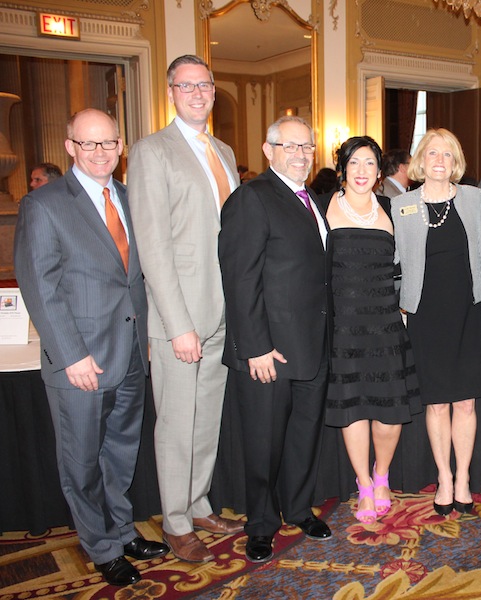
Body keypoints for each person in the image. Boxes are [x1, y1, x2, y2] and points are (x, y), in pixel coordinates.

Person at [14, 109, 168, 586]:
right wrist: (71, 356)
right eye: (88, 143)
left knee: (120, 455)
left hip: (130, 355)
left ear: (121, 146)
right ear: (70, 147)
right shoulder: (44, 204)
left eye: (108, 143)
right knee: (81, 463)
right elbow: (40, 287)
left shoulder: (129, 197)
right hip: (80, 361)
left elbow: (134, 279)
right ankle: (101, 547)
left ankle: (121, 532)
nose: (100, 152)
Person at [128, 54, 243, 563]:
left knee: (206, 419)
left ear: (213, 91)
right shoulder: (151, 152)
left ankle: (198, 504)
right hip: (180, 316)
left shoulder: (223, 151)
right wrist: (177, 325)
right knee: (176, 423)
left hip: (221, 310)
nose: (198, 93)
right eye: (186, 85)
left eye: (205, 85)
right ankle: (175, 521)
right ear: (171, 92)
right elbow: (153, 248)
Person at [219, 116, 332, 563]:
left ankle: (299, 509)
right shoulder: (252, 198)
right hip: (270, 351)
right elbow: (240, 279)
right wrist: (255, 348)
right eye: (290, 146)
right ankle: (262, 524)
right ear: (269, 151)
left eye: (307, 147)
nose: (301, 155)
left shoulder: (312, 199)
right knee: (264, 443)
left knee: (304, 435)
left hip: (313, 344)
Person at [392, 129, 481, 516]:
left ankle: (463, 477)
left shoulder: (473, 198)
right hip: (425, 316)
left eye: (447, 154)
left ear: (456, 162)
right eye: (432, 153)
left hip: (467, 311)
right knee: (435, 405)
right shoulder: (401, 205)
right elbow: (393, 261)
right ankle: (444, 478)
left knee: (465, 402)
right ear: (420, 159)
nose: (439, 160)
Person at [325, 136, 421, 524]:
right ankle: (363, 483)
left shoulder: (394, 209)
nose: (362, 171)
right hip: (344, 328)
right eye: (354, 163)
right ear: (342, 169)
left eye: (369, 163)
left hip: (385, 326)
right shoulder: (323, 208)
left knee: (389, 411)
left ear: (380, 172)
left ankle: (382, 475)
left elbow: (414, 261)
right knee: (353, 409)